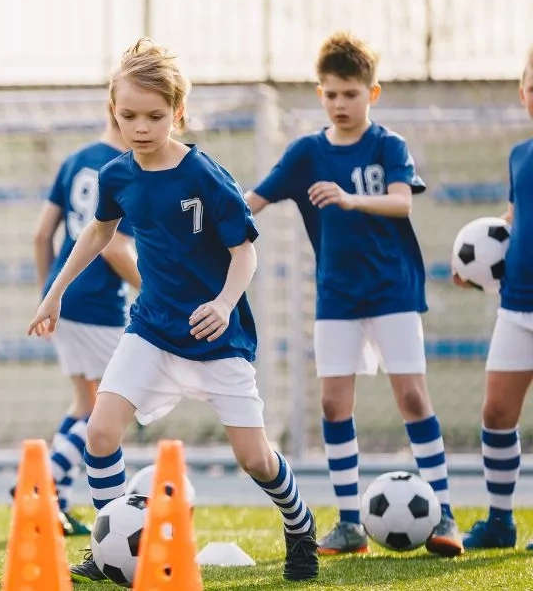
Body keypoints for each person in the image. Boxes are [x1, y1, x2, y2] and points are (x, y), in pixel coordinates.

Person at [28, 38, 320, 583]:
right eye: (129, 115)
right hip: (152, 331)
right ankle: (111, 545)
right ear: (113, 112)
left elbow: (245, 252)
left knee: (255, 460)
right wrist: (54, 292)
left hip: (216, 337)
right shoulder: (116, 175)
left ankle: (299, 526)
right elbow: (98, 233)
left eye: (155, 116)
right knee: (100, 433)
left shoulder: (203, 175)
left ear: (178, 113)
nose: (141, 127)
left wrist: (224, 303)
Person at [244, 32, 463, 557]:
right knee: (333, 403)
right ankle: (349, 523)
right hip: (336, 296)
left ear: (373, 93)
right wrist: (209, 226)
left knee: (411, 397)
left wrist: (347, 198)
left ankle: (444, 514)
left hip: (392, 291)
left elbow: (401, 204)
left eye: (351, 94)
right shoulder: (305, 153)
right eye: (331, 94)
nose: (341, 104)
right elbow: (253, 200)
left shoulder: (388, 146)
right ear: (320, 94)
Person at [28, 115, 141, 535]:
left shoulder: (76, 158)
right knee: (113, 407)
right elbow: (112, 248)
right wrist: (156, 288)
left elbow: (41, 235)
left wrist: (49, 296)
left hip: (65, 296)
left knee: (85, 402)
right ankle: (42, 484)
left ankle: (53, 499)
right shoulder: (127, 168)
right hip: (97, 303)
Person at [456, 47, 533, 552]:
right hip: (516, 304)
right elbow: (511, 222)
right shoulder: (520, 154)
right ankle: (501, 520)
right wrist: (474, 267)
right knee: (496, 413)